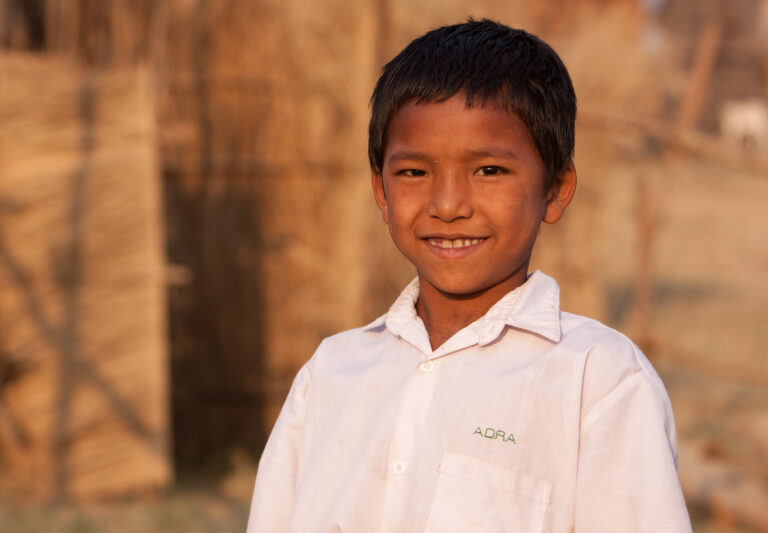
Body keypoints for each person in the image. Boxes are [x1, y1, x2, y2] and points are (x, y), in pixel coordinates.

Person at [246, 19, 691, 532]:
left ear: (556, 188)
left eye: (488, 171)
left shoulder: (597, 379)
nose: (449, 204)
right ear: (381, 192)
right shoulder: (331, 374)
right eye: (414, 172)